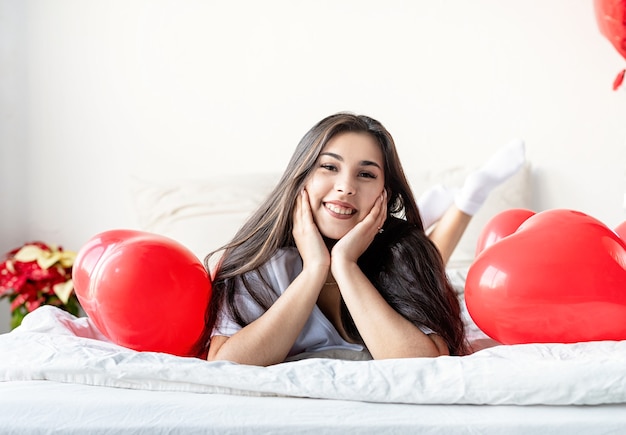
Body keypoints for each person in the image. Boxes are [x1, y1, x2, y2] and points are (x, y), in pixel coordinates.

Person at [196, 113, 524, 365]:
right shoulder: (260, 258)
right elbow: (227, 362)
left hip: (389, 246)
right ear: (300, 179)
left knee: (428, 253)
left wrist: (345, 264)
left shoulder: (403, 253)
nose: (346, 186)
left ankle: (458, 203)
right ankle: (451, 204)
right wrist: (314, 270)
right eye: (329, 167)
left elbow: (425, 362)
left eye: (366, 174)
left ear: (385, 194)